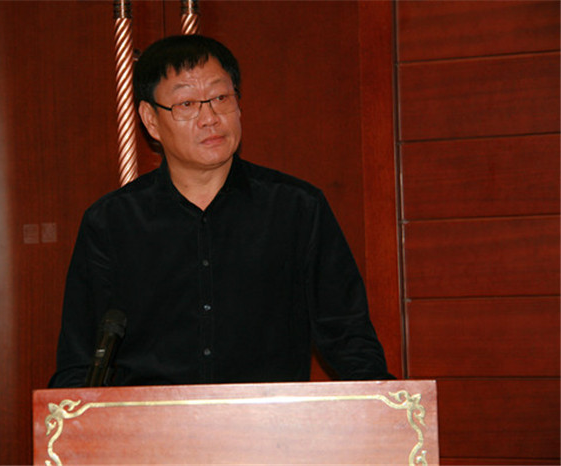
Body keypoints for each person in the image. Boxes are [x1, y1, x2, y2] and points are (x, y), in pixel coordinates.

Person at [48, 35, 392, 388]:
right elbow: (80, 360)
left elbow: (349, 338)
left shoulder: (297, 209)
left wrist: (385, 408)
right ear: (150, 120)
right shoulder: (111, 222)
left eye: (221, 98)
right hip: (150, 419)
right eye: (187, 104)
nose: (210, 118)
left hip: (269, 420)